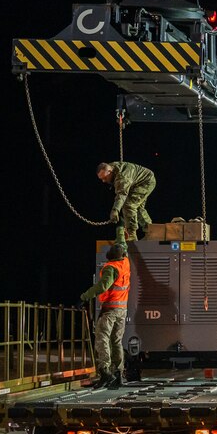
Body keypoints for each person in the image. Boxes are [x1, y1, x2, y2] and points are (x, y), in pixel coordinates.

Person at [80, 243, 131, 389]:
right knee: (116, 341)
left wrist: (85, 296)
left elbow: (102, 286)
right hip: (122, 309)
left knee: (102, 338)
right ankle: (119, 375)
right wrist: (120, 227)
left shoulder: (111, 268)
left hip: (110, 309)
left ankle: (105, 373)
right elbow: (123, 244)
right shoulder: (125, 263)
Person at [97, 161, 156, 245]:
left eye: (104, 178)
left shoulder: (122, 177)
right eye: (101, 179)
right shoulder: (112, 169)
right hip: (138, 182)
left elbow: (121, 194)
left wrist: (115, 210)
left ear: (109, 172)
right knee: (137, 207)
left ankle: (132, 234)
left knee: (129, 205)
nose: (103, 181)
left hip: (145, 181)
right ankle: (151, 232)